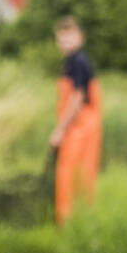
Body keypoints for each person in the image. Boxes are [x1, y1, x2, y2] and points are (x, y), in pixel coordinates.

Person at [48, 17, 103, 224]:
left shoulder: (77, 62)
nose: (66, 42)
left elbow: (78, 97)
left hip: (79, 128)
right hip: (85, 127)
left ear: (81, 37)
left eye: (71, 37)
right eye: (62, 39)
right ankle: (83, 221)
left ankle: (68, 224)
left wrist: (60, 130)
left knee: (70, 176)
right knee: (83, 176)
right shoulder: (76, 60)